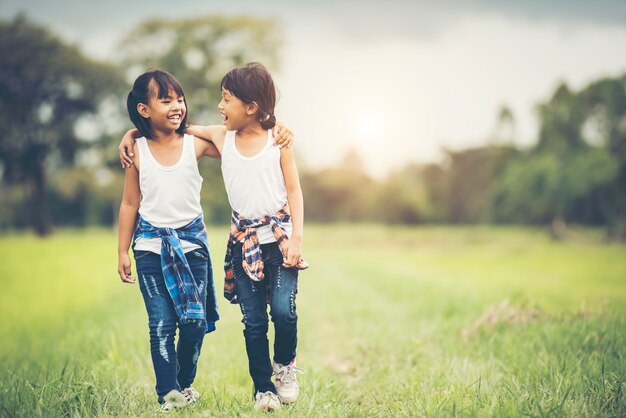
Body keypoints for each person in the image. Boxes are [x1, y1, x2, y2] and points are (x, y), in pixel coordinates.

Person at [116, 69, 294, 413]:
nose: (177, 106)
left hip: (192, 247)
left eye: (179, 99)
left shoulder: (195, 144)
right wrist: (122, 249)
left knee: (194, 324)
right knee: (161, 324)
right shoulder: (135, 151)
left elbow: (249, 142)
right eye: (165, 100)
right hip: (150, 247)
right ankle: (169, 393)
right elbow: (129, 203)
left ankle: (184, 384)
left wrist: (280, 128)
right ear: (143, 109)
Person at [186, 62, 308, 412]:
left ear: (251, 107)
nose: (220, 107)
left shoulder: (278, 141)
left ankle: (284, 367)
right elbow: (176, 128)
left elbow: (295, 191)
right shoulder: (224, 138)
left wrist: (297, 239)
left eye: (226, 99)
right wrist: (131, 134)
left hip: (280, 241)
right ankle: (263, 389)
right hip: (243, 244)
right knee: (253, 322)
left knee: (283, 311)